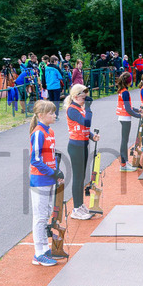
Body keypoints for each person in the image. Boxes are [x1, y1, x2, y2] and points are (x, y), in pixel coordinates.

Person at [28, 99, 63, 266]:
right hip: (40, 180)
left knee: (47, 213)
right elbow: (35, 160)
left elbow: (50, 156)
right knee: (40, 217)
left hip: (49, 179)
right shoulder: (38, 133)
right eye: (51, 113)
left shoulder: (50, 132)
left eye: (54, 112)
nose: (54, 115)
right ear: (41, 115)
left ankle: (44, 248)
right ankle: (38, 253)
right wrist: (52, 172)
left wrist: (57, 172)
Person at [63, 84, 98, 221]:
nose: (86, 96)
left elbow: (83, 126)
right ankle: (76, 208)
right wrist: (89, 108)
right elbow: (86, 122)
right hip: (76, 145)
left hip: (83, 143)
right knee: (78, 177)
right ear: (76, 96)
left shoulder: (79, 108)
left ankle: (80, 204)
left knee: (82, 176)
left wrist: (91, 136)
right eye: (83, 94)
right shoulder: (73, 109)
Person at [115, 71, 142, 172]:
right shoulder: (125, 92)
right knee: (124, 141)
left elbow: (129, 107)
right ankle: (123, 164)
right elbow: (128, 109)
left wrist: (137, 110)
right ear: (129, 81)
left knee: (124, 141)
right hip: (125, 118)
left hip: (124, 117)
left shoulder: (123, 90)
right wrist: (138, 116)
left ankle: (125, 162)